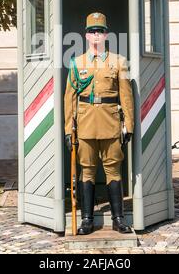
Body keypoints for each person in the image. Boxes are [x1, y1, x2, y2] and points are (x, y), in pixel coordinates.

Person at [64, 12, 134, 235]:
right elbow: (70, 98)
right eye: (92, 31)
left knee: (113, 170)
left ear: (106, 35)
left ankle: (118, 218)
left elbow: (126, 96)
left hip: (110, 124)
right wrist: (68, 129)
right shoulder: (76, 63)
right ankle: (87, 219)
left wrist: (128, 125)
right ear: (86, 35)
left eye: (100, 31)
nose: (96, 35)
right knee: (87, 171)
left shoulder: (119, 62)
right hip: (84, 126)